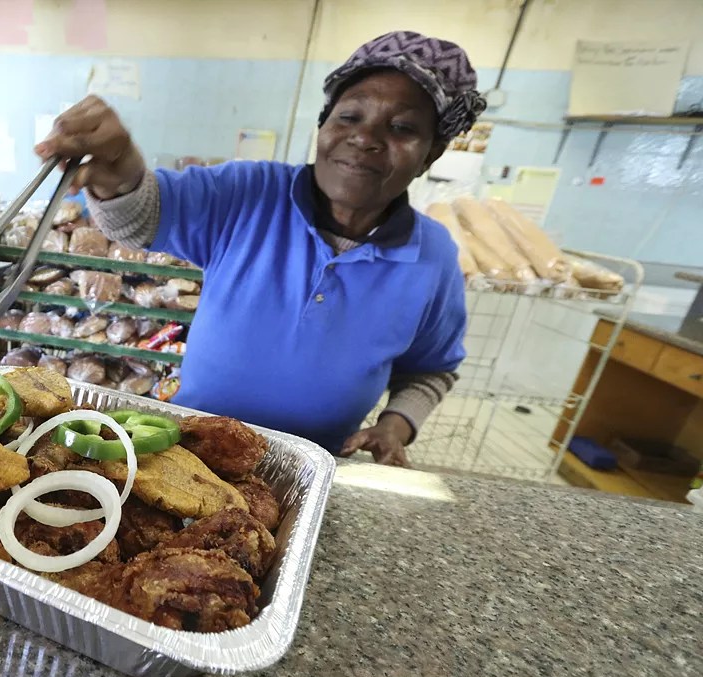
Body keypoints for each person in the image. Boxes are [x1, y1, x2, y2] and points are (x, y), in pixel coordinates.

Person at [35, 31, 486, 466]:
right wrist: (120, 168)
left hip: (316, 464)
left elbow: (430, 369)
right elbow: (141, 217)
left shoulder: (432, 256)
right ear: (323, 124)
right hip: (192, 449)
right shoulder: (250, 192)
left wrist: (396, 424)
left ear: (432, 153)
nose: (365, 138)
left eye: (402, 127)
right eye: (349, 116)